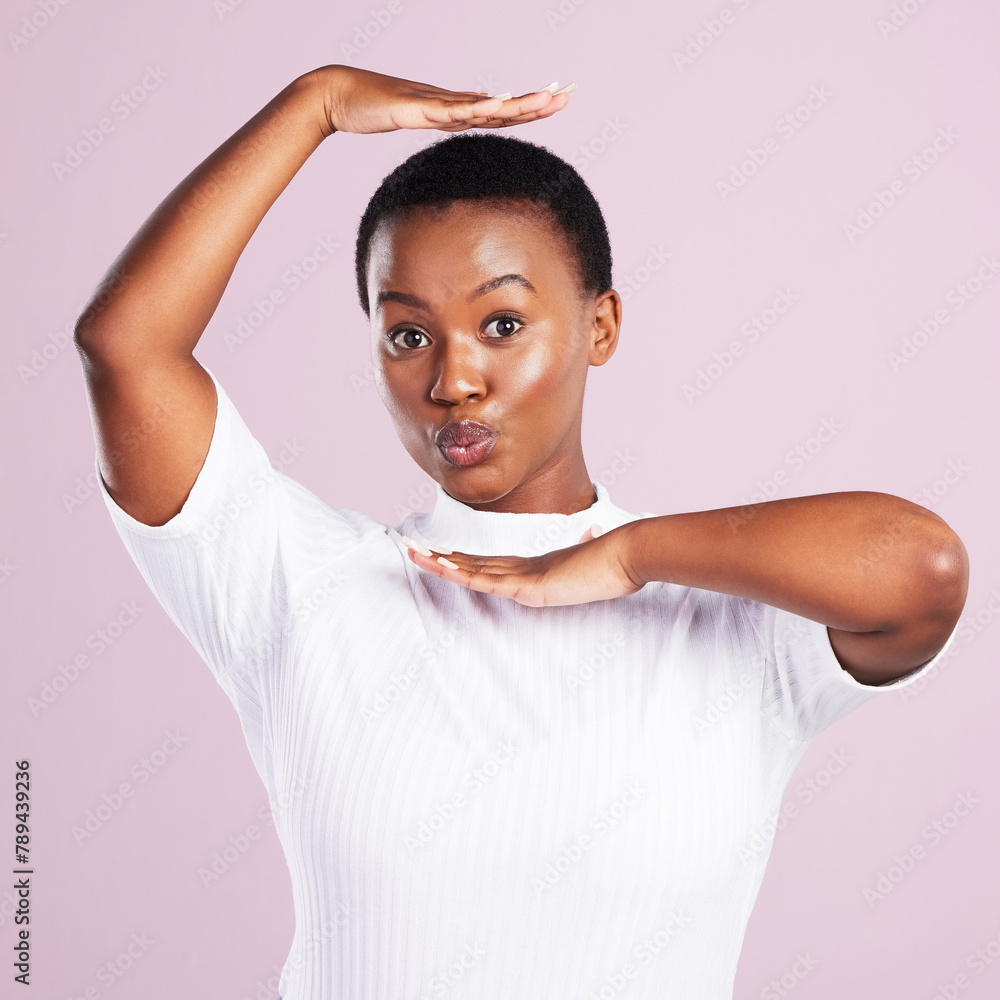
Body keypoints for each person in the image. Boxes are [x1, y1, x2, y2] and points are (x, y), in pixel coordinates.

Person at [73, 64, 969, 1000]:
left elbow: (923, 566)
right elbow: (125, 345)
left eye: (502, 322)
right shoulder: (301, 586)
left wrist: (628, 555)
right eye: (408, 335)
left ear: (601, 325)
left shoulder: (730, 623)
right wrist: (321, 103)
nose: (454, 380)